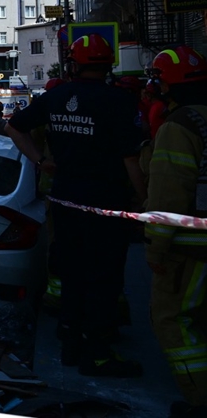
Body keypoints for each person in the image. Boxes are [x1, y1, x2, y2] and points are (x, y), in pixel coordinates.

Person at [7, 33, 145, 378]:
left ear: (73, 63)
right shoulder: (120, 101)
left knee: (71, 272)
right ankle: (97, 354)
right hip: (105, 204)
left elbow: (15, 127)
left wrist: (41, 161)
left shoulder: (56, 97)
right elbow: (130, 158)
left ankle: (70, 343)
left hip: (65, 200)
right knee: (104, 277)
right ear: (109, 63)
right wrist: (145, 201)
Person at [144, 47, 207, 417]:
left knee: (173, 319)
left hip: (191, 248)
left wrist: (156, 247)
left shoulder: (178, 126)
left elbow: (168, 194)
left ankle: (200, 399)